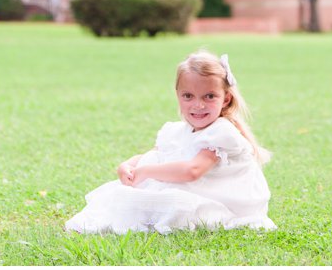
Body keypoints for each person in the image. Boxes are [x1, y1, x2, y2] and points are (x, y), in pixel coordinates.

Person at [65, 50, 275, 234]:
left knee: (174, 204)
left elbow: (192, 171)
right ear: (178, 96)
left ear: (226, 99)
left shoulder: (221, 131)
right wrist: (129, 165)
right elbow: (155, 154)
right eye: (188, 96)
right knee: (119, 194)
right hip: (193, 189)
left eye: (209, 96)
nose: (198, 105)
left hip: (221, 202)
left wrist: (146, 171)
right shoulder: (177, 130)